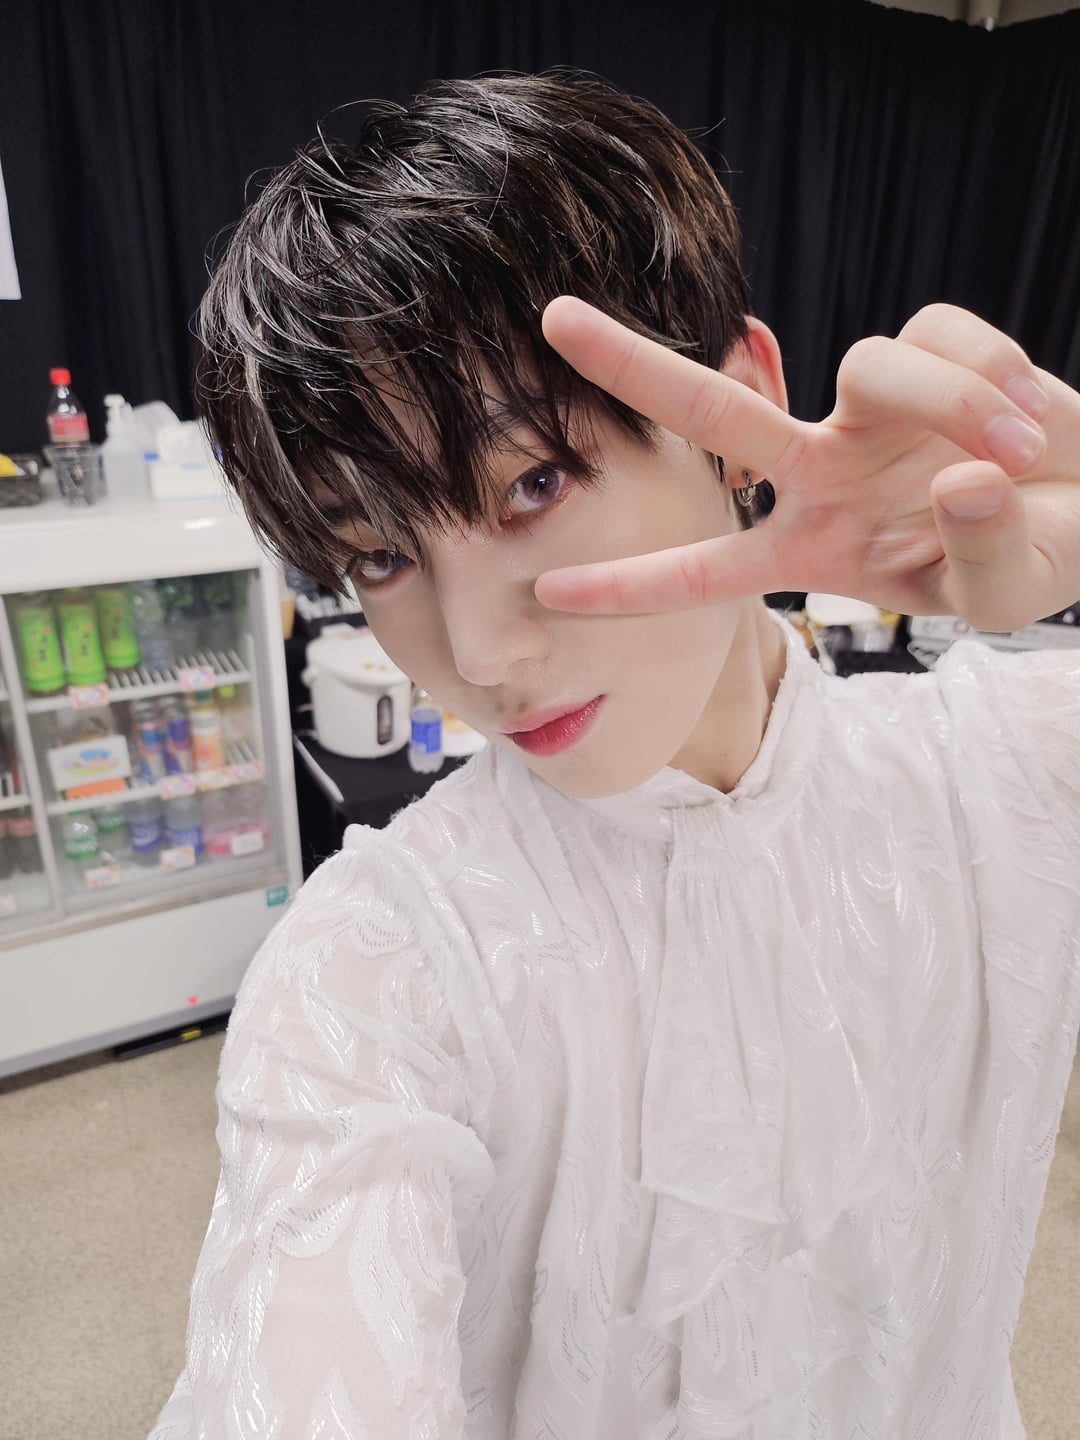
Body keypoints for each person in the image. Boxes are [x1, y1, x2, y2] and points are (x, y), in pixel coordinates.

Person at [150, 72, 1080, 1440]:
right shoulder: (381, 969)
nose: (481, 652)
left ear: (732, 409)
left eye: (534, 482)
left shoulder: (1006, 774)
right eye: (381, 555)